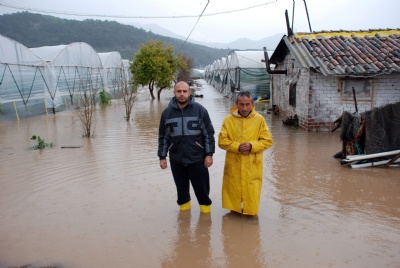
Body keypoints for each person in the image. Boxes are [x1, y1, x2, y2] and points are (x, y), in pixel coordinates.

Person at [158, 81, 215, 213]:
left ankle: (205, 224)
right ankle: (184, 223)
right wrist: (162, 156)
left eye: (184, 91)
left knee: (203, 194)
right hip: (176, 160)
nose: (182, 94)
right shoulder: (167, 113)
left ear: (190, 92)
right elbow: (163, 137)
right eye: (179, 91)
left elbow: (209, 134)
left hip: (198, 160)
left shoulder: (200, 110)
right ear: (174, 93)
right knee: (182, 195)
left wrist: (209, 154)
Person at [218, 91, 273, 216]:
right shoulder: (228, 120)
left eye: (247, 104)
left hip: (252, 165)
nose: (244, 108)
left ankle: (250, 217)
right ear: (236, 103)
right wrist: (238, 147)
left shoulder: (259, 120)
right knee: (233, 191)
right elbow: (222, 141)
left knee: (251, 193)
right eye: (241, 104)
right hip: (234, 163)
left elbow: (267, 141)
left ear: (252, 104)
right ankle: (235, 214)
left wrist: (252, 146)